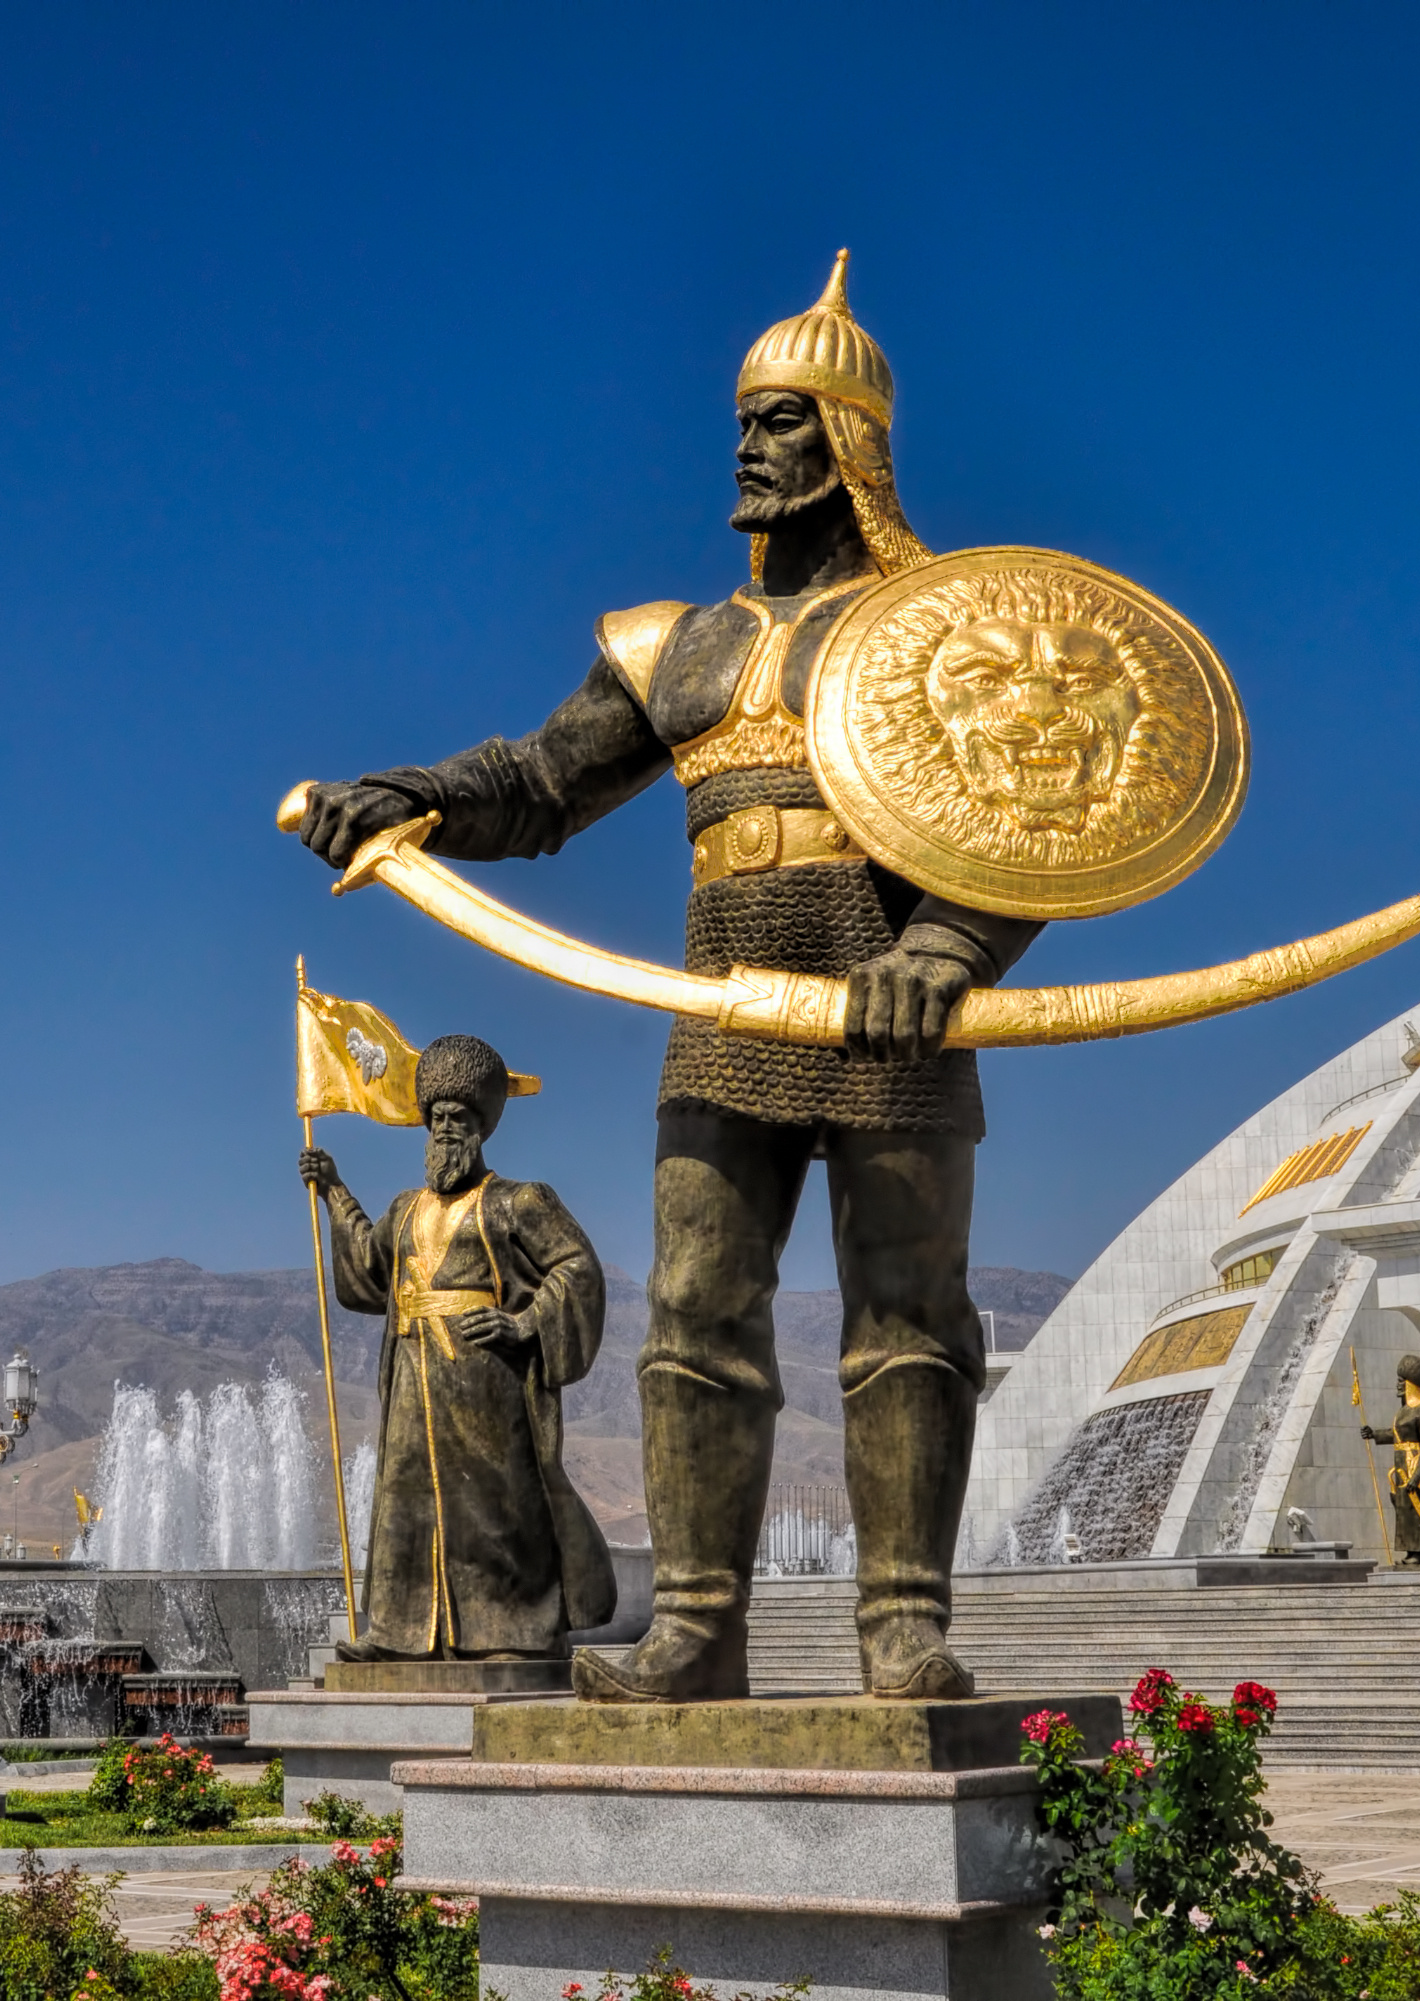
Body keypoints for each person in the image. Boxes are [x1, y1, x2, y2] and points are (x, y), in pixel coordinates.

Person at [288, 255, 1031, 1701]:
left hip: (893, 1017)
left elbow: (1026, 821)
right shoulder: (678, 646)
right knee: (696, 1304)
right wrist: (410, 795)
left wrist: (944, 945)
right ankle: (697, 1627)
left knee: (907, 1315)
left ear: (851, 442)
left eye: (779, 419)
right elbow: (540, 783)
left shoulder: (938, 632)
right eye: (744, 420)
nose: (747, 446)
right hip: (726, 1015)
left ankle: (901, 1626)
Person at [300, 1033, 616, 1659]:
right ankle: (397, 1635)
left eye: (459, 1119)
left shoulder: (517, 1202)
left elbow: (579, 1268)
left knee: (496, 1509)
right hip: (415, 1380)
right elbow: (367, 1271)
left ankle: (515, 1634)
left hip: (486, 1379)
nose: (445, 1130)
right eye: (437, 1118)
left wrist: (523, 1324)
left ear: (481, 1127)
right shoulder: (406, 1209)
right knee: (405, 1507)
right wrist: (334, 1191)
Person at [1362, 1356, 1420, 1567]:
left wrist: (1419, 1474)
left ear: (1412, 1385)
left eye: (1402, 1381)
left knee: (1418, 1510)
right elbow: (1399, 1435)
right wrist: (1375, 1434)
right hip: (1401, 1467)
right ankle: (1410, 1551)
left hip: (1416, 1466)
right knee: (1403, 1509)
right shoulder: (1403, 1411)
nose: (1398, 1385)